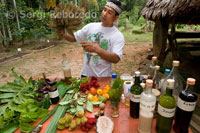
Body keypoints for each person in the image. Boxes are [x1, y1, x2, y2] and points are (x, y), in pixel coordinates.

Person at [57, 0, 124, 77]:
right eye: (104, 10)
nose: (104, 14)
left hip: (103, 77)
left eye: (110, 12)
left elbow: (116, 58)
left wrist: (95, 49)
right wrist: (63, 33)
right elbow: (74, 38)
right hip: (85, 76)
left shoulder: (118, 36)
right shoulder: (90, 26)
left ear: (116, 17)